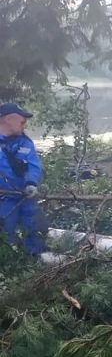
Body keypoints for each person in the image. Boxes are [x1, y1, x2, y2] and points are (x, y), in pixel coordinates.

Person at [0, 103, 46, 255]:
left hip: (26, 196)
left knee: (34, 227)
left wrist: (31, 183)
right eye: (22, 122)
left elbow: (33, 166)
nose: (24, 126)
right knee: (7, 232)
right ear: (8, 119)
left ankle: (35, 259)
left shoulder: (25, 142)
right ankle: (10, 263)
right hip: (4, 199)